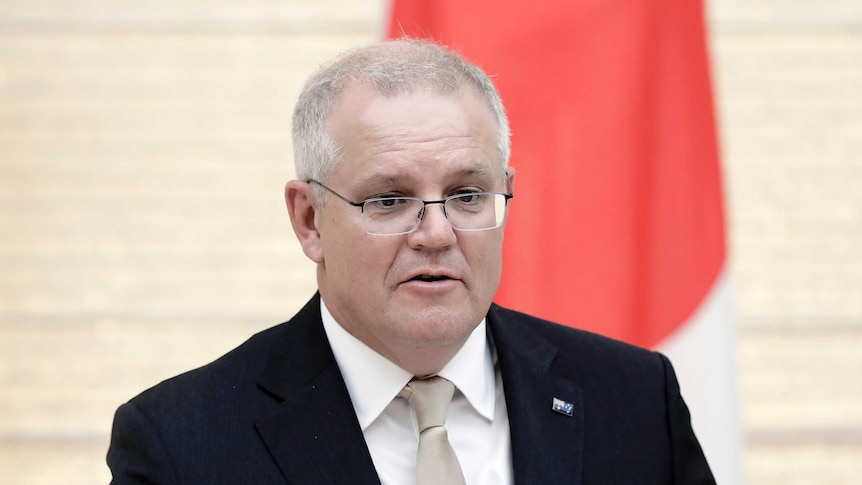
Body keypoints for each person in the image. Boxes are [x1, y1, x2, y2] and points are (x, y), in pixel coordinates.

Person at [107, 39, 716, 484]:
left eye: (468, 195)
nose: (436, 233)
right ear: (309, 220)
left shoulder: (634, 400)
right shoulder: (181, 445)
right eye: (390, 199)